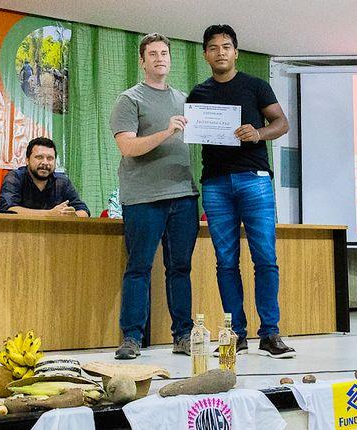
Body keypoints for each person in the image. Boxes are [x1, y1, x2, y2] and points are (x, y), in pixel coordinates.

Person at [187, 24, 295, 358]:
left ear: (235, 52)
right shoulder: (198, 93)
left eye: (226, 47)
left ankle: (270, 333)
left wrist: (259, 134)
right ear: (205, 55)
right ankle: (234, 334)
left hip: (254, 179)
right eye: (213, 47)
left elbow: (281, 123)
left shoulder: (256, 85)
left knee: (266, 258)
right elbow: (193, 129)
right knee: (225, 261)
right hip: (215, 183)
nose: (220, 52)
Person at [109, 33, 200, 360]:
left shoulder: (184, 100)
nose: (160, 58)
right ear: (142, 61)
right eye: (153, 54)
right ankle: (132, 338)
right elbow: (127, 146)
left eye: (164, 53)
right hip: (144, 198)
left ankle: (183, 335)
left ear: (170, 59)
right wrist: (166, 131)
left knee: (181, 268)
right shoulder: (129, 99)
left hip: (184, 195)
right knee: (139, 267)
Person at [0, 137, 90, 217]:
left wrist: (73, 215)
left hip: (53, 231)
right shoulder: (15, 177)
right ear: (27, 160)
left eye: (50, 158)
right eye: (39, 157)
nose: (45, 162)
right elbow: (7, 209)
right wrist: (50, 214)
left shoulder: (62, 182)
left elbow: (84, 211)